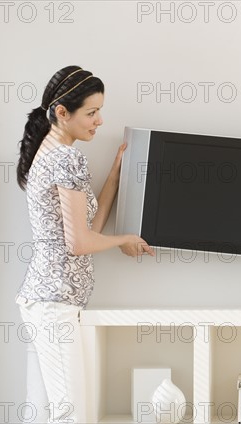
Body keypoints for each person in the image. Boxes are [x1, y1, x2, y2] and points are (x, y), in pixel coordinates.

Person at [15, 65, 155, 423]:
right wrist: (125, 238)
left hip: (42, 300)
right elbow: (80, 243)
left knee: (44, 410)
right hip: (54, 304)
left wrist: (115, 174)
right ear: (62, 113)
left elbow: (87, 227)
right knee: (71, 414)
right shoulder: (67, 157)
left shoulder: (46, 152)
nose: (100, 121)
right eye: (92, 113)